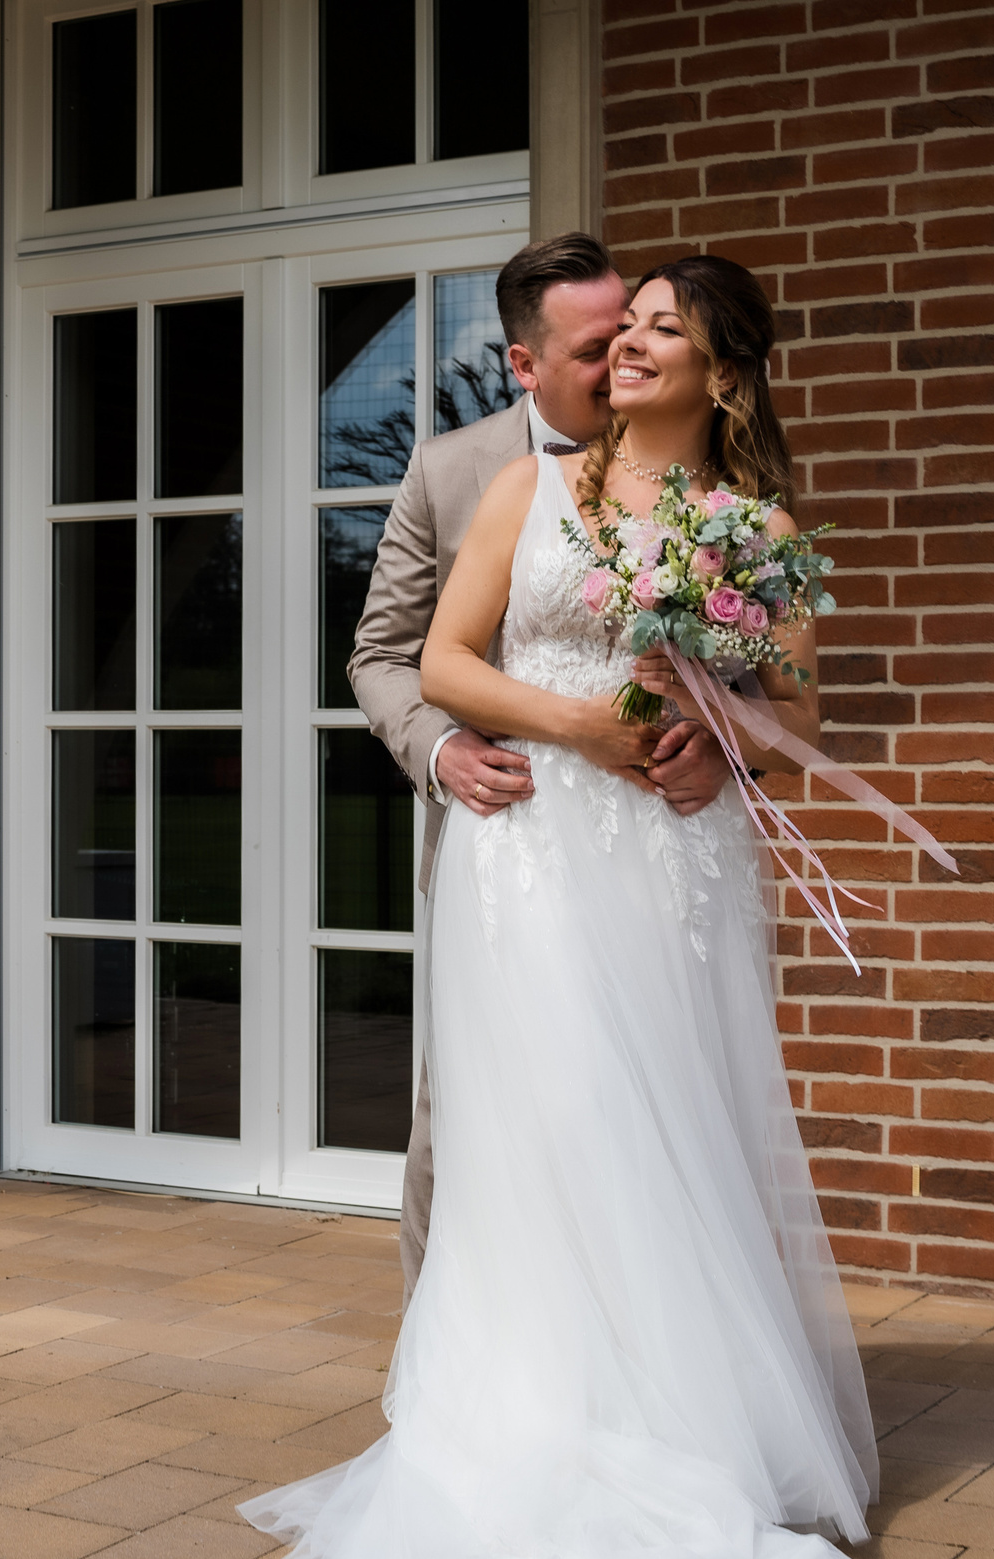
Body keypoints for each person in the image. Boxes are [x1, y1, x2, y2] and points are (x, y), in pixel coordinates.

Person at [244, 255, 923, 1559]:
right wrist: (582, 725)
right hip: (532, 857)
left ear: (722, 376)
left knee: (662, 1129)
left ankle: (676, 1431)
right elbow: (443, 656)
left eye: (661, 331)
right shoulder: (522, 488)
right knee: (544, 1133)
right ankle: (527, 1425)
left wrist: (708, 727)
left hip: (670, 871)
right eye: (624, 330)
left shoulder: (753, 527)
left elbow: (791, 699)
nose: (629, 349)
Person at [349, 231, 733, 1307]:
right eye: (596, 345)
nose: (623, 359)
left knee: (644, 1110)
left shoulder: (703, 475)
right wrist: (441, 746)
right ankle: (446, 1378)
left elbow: (745, 660)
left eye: (639, 332)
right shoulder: (457, 470)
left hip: (652, 854)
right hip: (510, 843)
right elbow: (384, 656)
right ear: (522, 364)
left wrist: (721, 742)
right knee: (471, 1118)